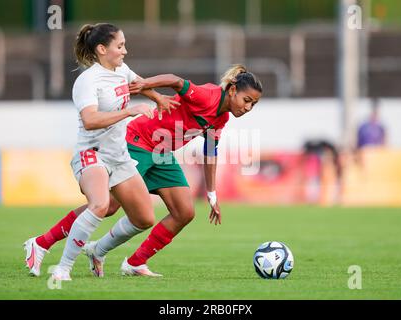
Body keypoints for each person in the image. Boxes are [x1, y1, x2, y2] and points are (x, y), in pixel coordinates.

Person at [24, 64, 262, 278]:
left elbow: (211, 151)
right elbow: (175, 80)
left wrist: (212, 194)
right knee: (107, 206)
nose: (249, 107)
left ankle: (133, 262)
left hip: (162, 153)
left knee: (184, 212)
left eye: (254, 103)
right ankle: (41, 243)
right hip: (139, 142)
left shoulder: (222, 118)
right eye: (247, 99)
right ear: (232, 90)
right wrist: (145, 84)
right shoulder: (208, 96)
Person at [23, 23, 178, 281]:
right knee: (100, 204)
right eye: (120, 46)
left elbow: (138, 83)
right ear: (102, 49)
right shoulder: (88, 81)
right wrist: (129, 111)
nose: (125, 51)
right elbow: (90, 120)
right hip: (91, 153)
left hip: (118, 156)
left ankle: (93, 250)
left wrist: (158, 98)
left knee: (144, 218)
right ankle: (62, 268)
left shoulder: (121, 70)